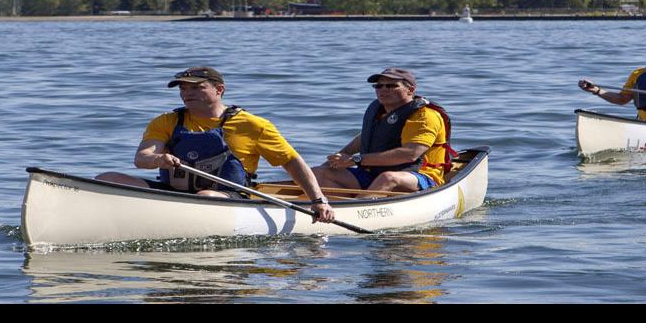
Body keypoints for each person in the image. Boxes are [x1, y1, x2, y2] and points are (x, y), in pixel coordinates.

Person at [96, 66, 334, 222]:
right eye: (183, 88)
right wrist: (158, 159)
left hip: (228, 197)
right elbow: (142, 158)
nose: (187, 93)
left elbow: (292, 162)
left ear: (219, 90)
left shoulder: (252, 124)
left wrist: (318, 200)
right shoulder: (167, 121)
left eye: (197, 87)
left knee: (207, 194)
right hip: (174, 194)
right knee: (107, 178)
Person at [313, 68, 455, 196]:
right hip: (372, 174)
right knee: (317, 173)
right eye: (378, 86)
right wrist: (335, 161)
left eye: (391, 85)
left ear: (410, 90)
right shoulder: (379, 110)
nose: (383, 89)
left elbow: (411, 154)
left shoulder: (425, 115)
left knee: (387, 178)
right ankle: (335, 207)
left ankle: (359, 208)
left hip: (420, 176)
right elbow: (366, 138)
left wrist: (356, 160)